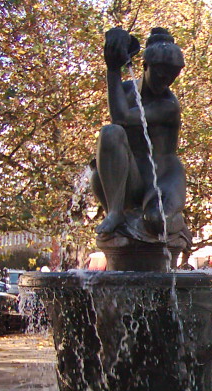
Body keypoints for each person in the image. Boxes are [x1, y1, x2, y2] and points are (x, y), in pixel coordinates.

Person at [90, 27, 190, 249]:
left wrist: (113, 69)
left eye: (172, 75)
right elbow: (116, 122)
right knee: (109, 133)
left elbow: (122, 116)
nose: (166, 81)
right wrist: (114, 63)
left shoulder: (168, 105)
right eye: (161, 72)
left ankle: (177, 223)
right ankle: (115, 212)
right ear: (145, 66)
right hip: (133, 176)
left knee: (156, 221)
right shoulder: (125, 91)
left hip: (163, 178)